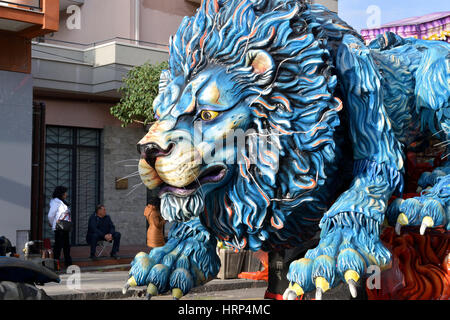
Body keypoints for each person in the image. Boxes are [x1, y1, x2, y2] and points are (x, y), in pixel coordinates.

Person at [47, 186, 72, 268]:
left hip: (64, 226)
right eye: (65, 192)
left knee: (66, 246)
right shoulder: (55, 202)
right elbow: (51, 215)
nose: (66, 194)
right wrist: (52, 223)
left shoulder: (62, 202)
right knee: (58, 246)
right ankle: (55, 264)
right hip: (59, 227)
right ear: (61, 194)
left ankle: (68, 263)